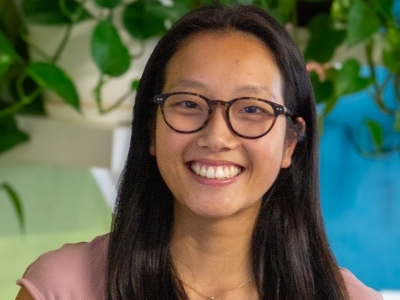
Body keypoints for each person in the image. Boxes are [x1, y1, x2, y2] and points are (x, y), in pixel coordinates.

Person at [16, 4, 383, 300]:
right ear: (151, 130)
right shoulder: (61, 288)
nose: (217, 136)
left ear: (290, 142)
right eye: (188, 103)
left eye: (252, 109)